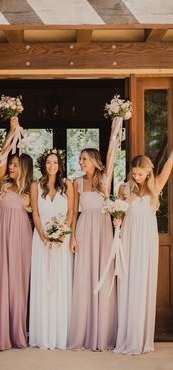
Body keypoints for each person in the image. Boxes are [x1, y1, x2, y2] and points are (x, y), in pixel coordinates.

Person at [68, 120, 122, 351]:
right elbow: (72, 212)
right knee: (84, 275)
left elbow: (112, 153)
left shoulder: (105, 179)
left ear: (94, 161)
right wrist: (71, 236)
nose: (81, 162)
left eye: (84, 159)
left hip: (102, 228)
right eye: (80, 159)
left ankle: (103, 333)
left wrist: (116, 125)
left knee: (102, 272)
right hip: (83, 227)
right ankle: (84, 330)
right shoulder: (76, 182)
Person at [113, 152, 173, 355]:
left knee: (143, 283)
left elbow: (169, 163)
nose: (136, 178)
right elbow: (118, 212)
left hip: (147, 240)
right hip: (129, 238)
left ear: (148, 173)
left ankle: (141, 337)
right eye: (134, 174)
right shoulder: (125, 188)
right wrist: (117, 219)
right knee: (128, 282)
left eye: (140, 174)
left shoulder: (156, 185)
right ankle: (127, 336)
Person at [0, 117, 33, 351]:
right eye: (11, 164)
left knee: (18, 282)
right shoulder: (2, 183)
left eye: (16, 165)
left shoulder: (28, 190)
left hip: (22, 237)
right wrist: (11, 132)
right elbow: (1, 159)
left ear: (23, 168)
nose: (12, 168)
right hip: (2, 234)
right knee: (0, 280)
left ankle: (17, 332)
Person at [29, 149, 73, 349]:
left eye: (55, 162)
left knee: (59, 282)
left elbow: (71, 212)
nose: (52, 166)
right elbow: (35, 214)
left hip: (61, 240)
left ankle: (60, 334)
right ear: (44, 165)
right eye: (48, 162)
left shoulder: (68, 185)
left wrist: (61, 234)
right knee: (43, 282)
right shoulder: (35, 186)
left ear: (60, 165)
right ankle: (42, 335)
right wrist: (43, 236)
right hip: (41, 239)